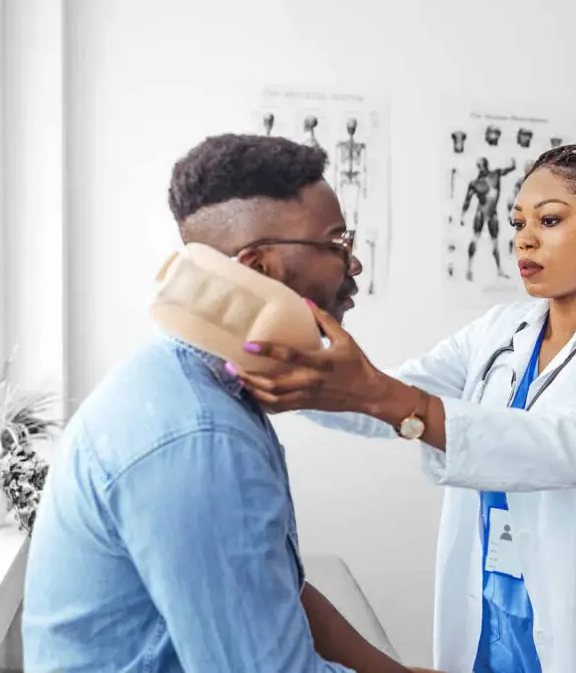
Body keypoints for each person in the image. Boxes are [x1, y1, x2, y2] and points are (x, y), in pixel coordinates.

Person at [230, 143, 576, 672]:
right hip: (489, 600)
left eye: (549, 220)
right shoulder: (499, 331)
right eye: (518, 221)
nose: (524, 238)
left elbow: (569, 447)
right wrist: (283, 365)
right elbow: (381, 396)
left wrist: (388, 398)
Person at [21, 134, 433, 673]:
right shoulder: (199, 435)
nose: (352, 265)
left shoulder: (193, 382)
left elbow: (271, 591)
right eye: (336, 243)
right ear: (259, 268)